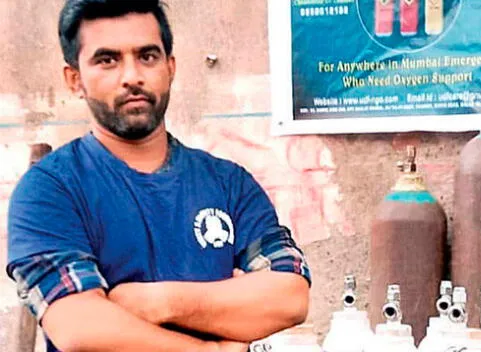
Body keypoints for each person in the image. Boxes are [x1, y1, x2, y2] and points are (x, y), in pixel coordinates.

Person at [5, 1, 311, 351]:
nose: (132, 76)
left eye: (147, 56)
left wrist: (157, 302)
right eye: (108, 60)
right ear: (75, 80)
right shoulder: (51, 189)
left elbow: (289, 298)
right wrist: (211, 344)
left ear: (171, 67)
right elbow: (79, 326)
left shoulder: (229, 184)